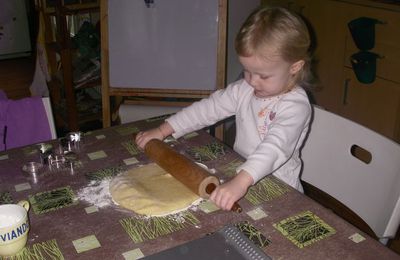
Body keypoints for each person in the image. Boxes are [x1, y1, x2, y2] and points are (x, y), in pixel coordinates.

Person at [136, 6, 313, 211]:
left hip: (279, 192)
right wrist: (163, 130)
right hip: (241, 176)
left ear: (294, 67)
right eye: (247, 71)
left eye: (263, 75)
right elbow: (208, 109)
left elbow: (275, 147)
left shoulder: (295, 106)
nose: (253, 81)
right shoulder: (244, 89)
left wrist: (241, 182)